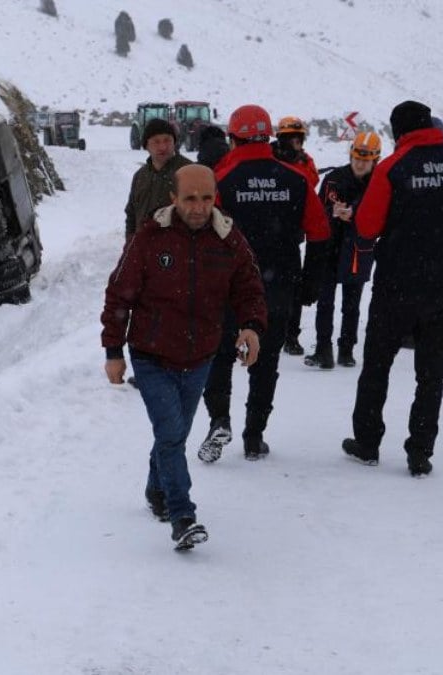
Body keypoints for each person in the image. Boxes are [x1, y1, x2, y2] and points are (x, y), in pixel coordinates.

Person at [101, 164, 267, 550]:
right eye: (190, 198)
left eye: (206, 198)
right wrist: (113, 351)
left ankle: (155, 490)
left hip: (201, 356)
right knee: (173, 435)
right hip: (151, 356)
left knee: (171, 433)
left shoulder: (229, 239)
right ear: (173, 198)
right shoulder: (149, 239)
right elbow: (118, 295)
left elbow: (249, 288)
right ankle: (182, 516)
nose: (199, 207)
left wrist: (251, 326)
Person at [342, 100, 443, 476]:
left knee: (377, 364)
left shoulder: (392, 168)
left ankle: (368, 441)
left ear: (398, 132)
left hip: (396, 285)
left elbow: (367, 226)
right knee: (431, 371)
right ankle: (420, 450)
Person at [198, 105, 329, 462]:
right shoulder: (296, 178)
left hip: (228, 285)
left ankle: (219, 419)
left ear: (233, 137)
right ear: (268, 137)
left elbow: (202, 236)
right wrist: (310, 282)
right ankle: (254, 436)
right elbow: (320, 233)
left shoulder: (219, 179)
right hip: (278, 283)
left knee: (220, 355)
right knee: (266, 360)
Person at [305, 131, 382, 369]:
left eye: (366, 160)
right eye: (357, 158)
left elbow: (382, 215)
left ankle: (347, 350)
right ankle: (323, 350)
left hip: (358, 249)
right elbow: (317, 211)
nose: (360, 164)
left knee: (352, 303)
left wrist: (355, 214)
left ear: (374, 160)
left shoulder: (379, 183)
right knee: (325, 302)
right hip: (330, 246)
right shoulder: (334, 179)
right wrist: (333, 213)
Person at [272, 115, 320, 356]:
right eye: (291, 139)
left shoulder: (305, 161)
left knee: (293, 287)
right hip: (265, 230)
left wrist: (297, 163)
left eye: (298, 139)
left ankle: (291, 335)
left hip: (291, 233)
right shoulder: (268, 157)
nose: (296, 143)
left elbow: (312, 181)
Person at [124, 118, 193, 240]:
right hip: (143, 249)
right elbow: (131, 215)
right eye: (156, 142)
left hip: (178, 250)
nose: (163, 147)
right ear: (146, 146)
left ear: (174, 142)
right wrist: (130, 243)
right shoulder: (140, 176)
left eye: (167, 140)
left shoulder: (189, 171)